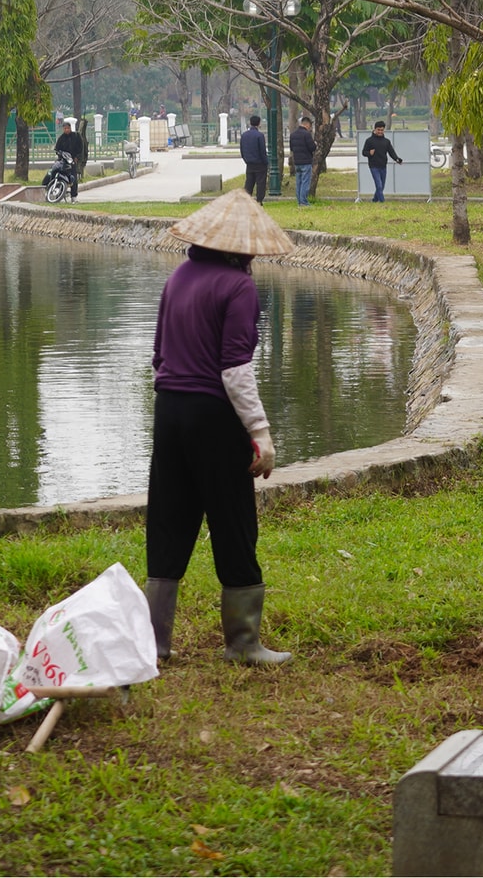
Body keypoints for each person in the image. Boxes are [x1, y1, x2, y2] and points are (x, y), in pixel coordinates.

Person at [145, 189, 296, 666]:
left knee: (169, 519)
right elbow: (235, 371)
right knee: (233, 521)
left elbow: (157, 357)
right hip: (212, 416)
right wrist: (261, 433)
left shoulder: (178, 276)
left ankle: (155, 643)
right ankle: (243, 643)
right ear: (241, 249)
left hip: (169, 410)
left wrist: (175, 402)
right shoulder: (239, 288)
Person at [362, 119, 402, 202]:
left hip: (383, 166)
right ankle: (382, 202)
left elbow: (391, 152)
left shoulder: (386, 141)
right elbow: (364, 152)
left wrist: (397, 159)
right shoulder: (369, 141)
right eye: (378, 130)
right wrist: (369, 153)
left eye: (382, 130)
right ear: (375, 129)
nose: (380, 131)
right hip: (373, 166)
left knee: (381, 186)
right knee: (379, 185)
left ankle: (374, 200)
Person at [288, 115, 318, 206]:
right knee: (305, 182)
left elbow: (291, 148)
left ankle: (299, 201)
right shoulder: (306, 134)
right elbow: (312, 147)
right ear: (307, 125)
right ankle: (303, 202)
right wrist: (315, 143)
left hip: (297, 162)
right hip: (306, 161)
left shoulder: (293, 135)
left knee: (299, 182)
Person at [239, 114, 268, 202]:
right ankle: (259, 200)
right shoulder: (259, 135)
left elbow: (242, 150)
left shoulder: (244, 135)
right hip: (260, 163)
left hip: (249, 163)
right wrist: (265, 162)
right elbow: (262, 151)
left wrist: (246, 159)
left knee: (249, 183)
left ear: (250, 123)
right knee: (260, 183)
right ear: (259, 123)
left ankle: (246, 200)